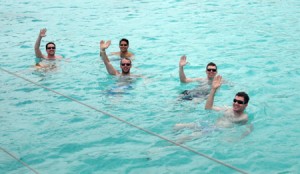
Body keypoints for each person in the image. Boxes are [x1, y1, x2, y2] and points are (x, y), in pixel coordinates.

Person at [174, 75, 252, 143]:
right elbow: (208, 107)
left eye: (239, 102)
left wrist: (236, 139)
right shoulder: (228, 109)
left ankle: (168, 147)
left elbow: (248, 129)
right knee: (178, 126)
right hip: (208, 124)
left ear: (246, 105)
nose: (236, 103)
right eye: (235, 100)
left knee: (186, 137)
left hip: (213, 131)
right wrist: (213, 90)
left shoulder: (243, 118)